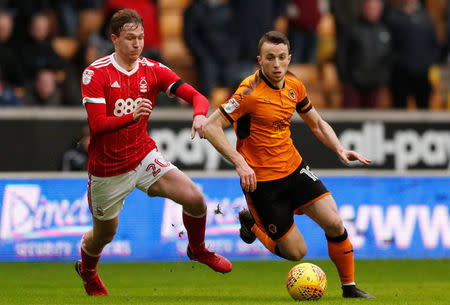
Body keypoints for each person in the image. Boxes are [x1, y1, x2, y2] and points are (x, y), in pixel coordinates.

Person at [203, 31, 374, 299]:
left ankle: (349, 288)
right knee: (296, 253)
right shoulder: (248, 91)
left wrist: (339, 148)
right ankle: (252, 223)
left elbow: (316, 123)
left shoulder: (294, 85)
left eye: (282, 58)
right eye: (270, 58)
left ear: (289, 58)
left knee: (334, 222)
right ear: (260, 60)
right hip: (262, 183)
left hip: (294, 169)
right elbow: (210, 127)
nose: (276, 64)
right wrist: (240, 163)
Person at [76, 9, 232, 296]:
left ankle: (197, 250)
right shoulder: (95, 73)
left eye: (141, 37)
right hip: (108, 169)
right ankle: (87, 271)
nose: (137, 44)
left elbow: (197, 96)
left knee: (195, 199)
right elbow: (97, 126)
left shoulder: (152, 69)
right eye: (130, 38)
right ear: (114, 39)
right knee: (103, 235)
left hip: (142, 156)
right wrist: (132, 116)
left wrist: (199, 115)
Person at [339, 0, 392, 108]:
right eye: (369, 8)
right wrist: (346, 78)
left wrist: (383, 77)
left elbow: (389, 56)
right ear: (363, 9)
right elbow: (341, 55)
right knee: (351, 120)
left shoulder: (384, 30)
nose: (371, 11)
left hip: (375, 84)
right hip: (353, 84)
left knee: (372, 120)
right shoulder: (351, 28)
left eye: (374, 9)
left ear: (380, 11)